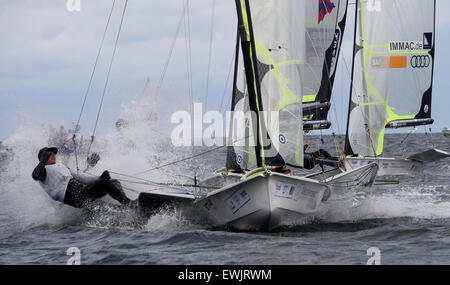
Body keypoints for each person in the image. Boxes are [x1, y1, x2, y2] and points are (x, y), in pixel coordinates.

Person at [32, 147, 137, 209]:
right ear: (43, 158)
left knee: (114, 183)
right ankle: (130, 203)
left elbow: (81, 179)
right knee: (104, 183)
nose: (53, 155)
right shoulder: (43, 171)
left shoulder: (61, 166)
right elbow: (35, 176)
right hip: (73, 197)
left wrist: (99, 178)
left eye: (53, 153)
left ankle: (126, 208)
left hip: (82, 192)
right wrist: (43, 161)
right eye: (50, 154)